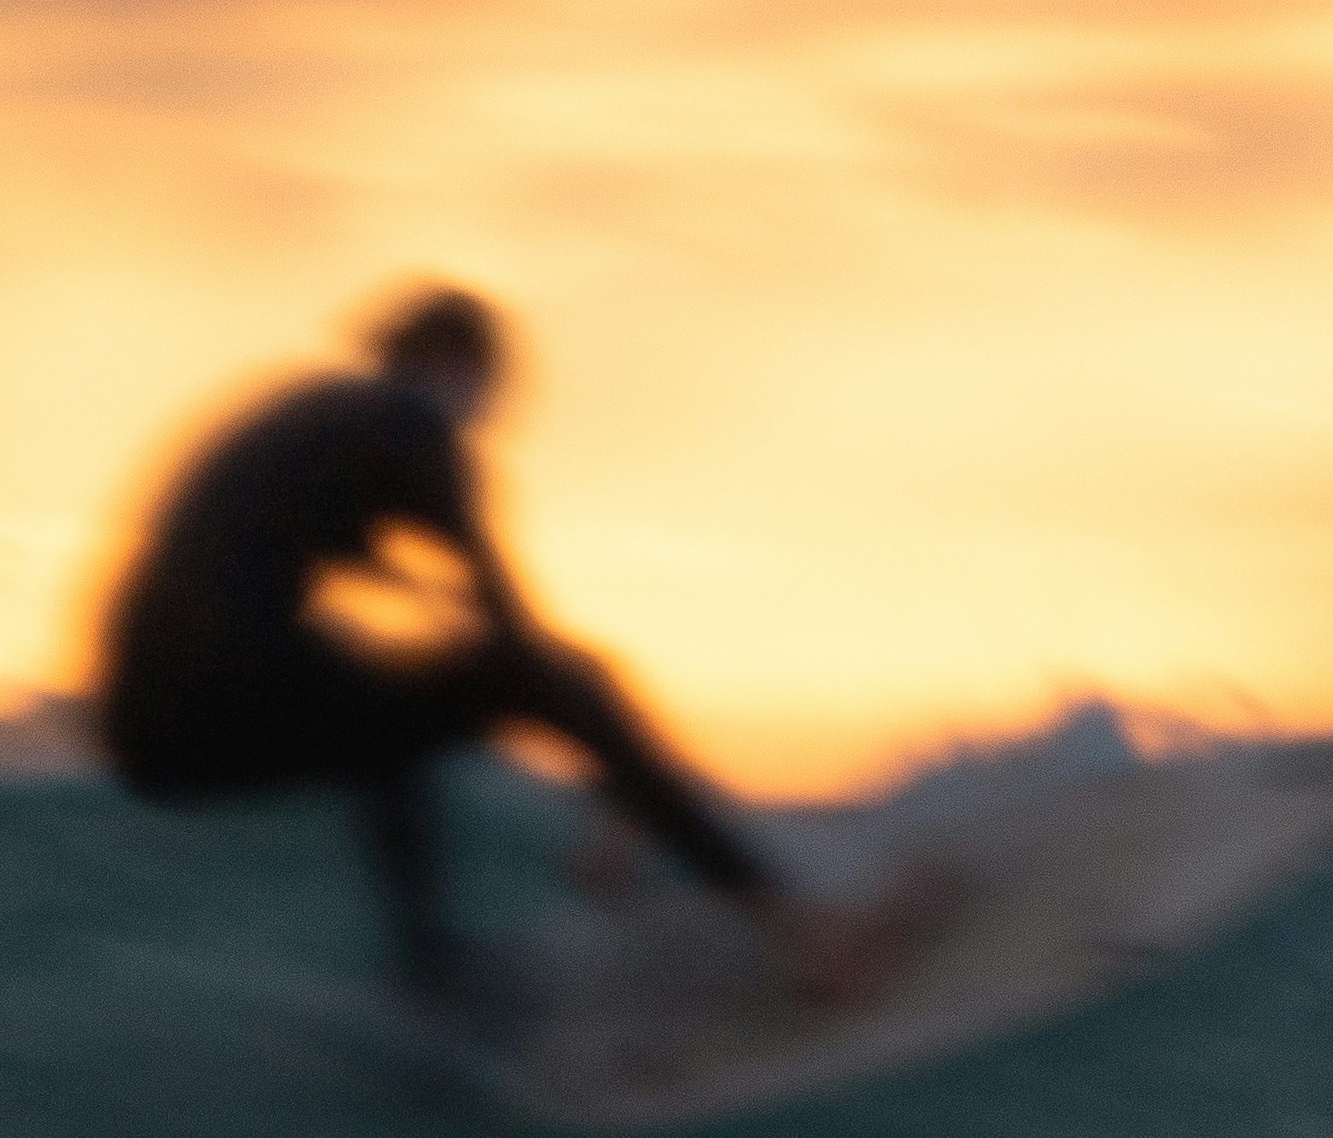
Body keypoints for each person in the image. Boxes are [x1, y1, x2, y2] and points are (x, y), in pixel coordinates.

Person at [98, 287, 890, 1029]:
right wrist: (608, 752)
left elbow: (424, 612)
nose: (484, 426)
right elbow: (514, 644)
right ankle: (799, 924)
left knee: (376, 713)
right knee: (551, 681)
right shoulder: (413, 420)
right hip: (221, 680)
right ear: (456, 365)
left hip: (149, 730)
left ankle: (431, 993)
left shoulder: (321, 425)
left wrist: (602, 770)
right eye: (492, 398)